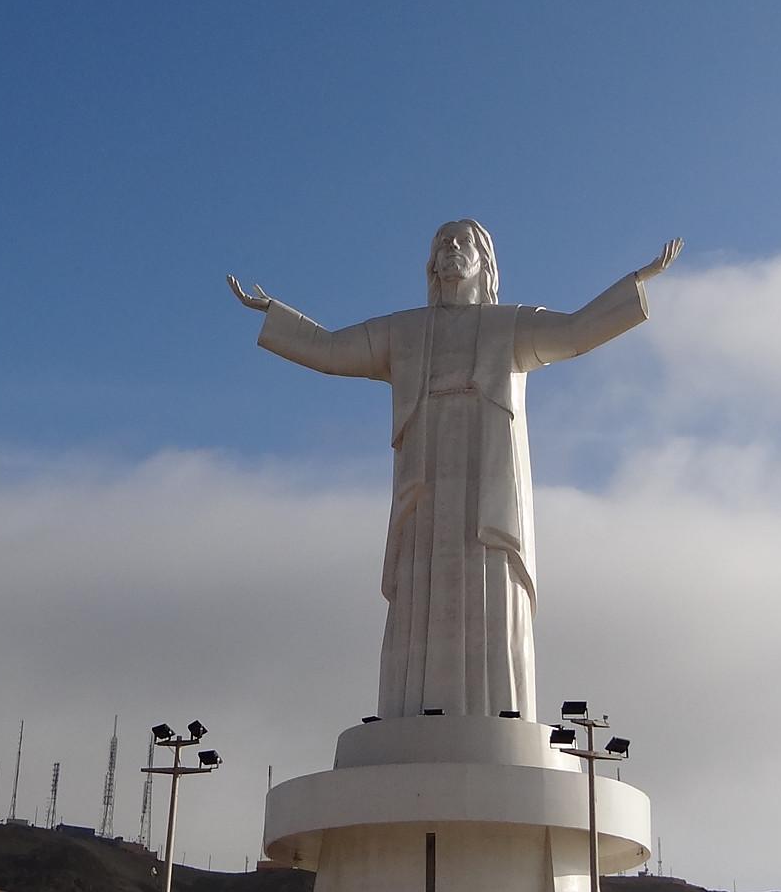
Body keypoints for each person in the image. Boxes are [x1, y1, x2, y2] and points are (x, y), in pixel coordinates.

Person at [231, 224, 679, 720]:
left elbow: (575, 332)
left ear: (485, 261)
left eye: (464, 241)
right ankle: (411, 711)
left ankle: (497, 712)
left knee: (489, 573)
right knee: (419, 580)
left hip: (486, 471)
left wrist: (638, 281)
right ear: (430, 263)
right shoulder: (404, 331)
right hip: (424, 472)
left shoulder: (510, 325)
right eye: (442, 243)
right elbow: (333, 350)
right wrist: (275, 313)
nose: (451, 249)